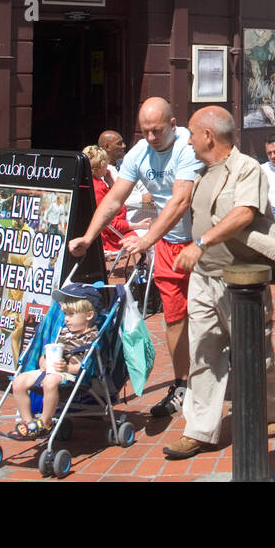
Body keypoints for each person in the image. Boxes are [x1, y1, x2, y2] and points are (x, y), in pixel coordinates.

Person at [162, 107, 275, 459]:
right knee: (203, 351)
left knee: (255, 355)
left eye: (191, 133)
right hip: (204, 279)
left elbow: (244, 213)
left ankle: (274, 408)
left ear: (208, 136)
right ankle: (200, 430)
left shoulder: (246, 168)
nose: (187, 140)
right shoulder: (199, 172)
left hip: (241, 282)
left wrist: (201, 243)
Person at [72, 97, 203, 419]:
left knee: (211, 314)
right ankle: (182, 384)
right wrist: (88, 238)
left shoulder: (189, 146)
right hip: (169, 245)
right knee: (174, 317)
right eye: (145, 131)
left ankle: (224, 374)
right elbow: (114, 199)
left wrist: (146, 239)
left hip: (203, 240)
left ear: (173, 125)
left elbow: (181, 200)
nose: (151, 138)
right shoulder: (139, 153)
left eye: (157, 131)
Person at [9, 284, 102, 439]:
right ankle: (29, 423)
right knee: (18, 381)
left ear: (89, 315)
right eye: (65, 314)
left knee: (50, 382)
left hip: (71, 375)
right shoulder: (63, 332)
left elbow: (89, 366)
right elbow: (45, 356)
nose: (66, 319)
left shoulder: (92, 336)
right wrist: (43, 362)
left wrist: (68, 368)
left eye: (71, 314)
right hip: (50, 371)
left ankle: (45, 422)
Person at [82, 146, 132, 253]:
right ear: (101, 166)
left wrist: (110, 183)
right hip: (110, 237)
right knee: (148, 240)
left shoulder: (91, 183)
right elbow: (108, 222)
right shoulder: (98, 188)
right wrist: (137, 225)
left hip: (111, 231)